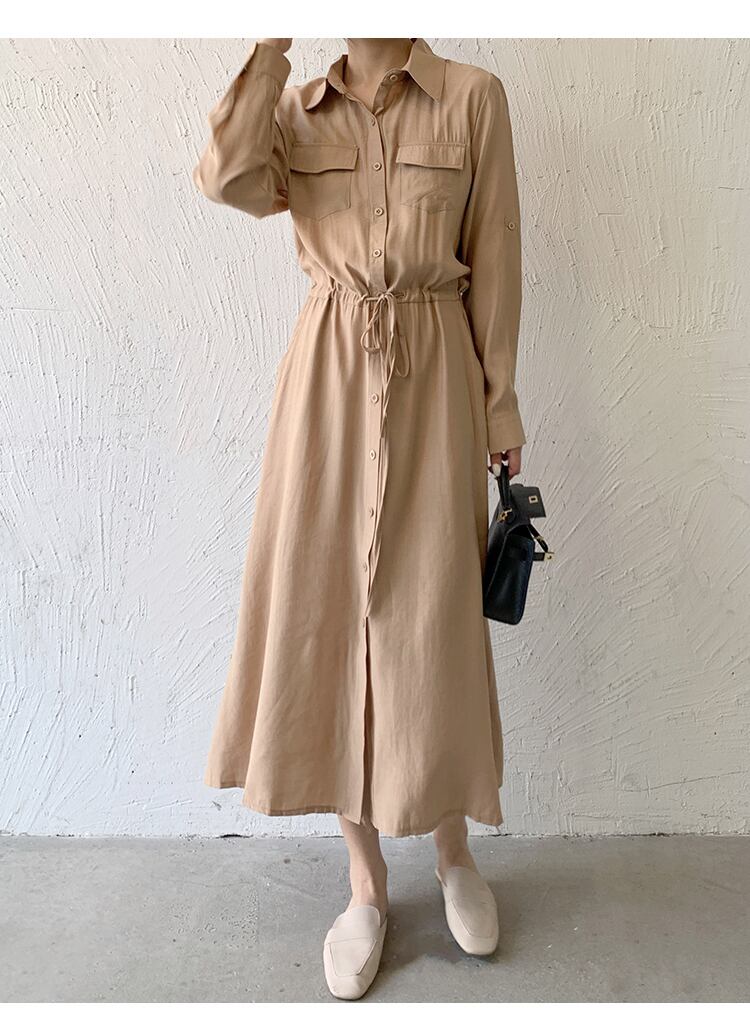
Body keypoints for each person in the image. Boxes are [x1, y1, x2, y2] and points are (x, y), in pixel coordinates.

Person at [193, 37, 526, 999]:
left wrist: (501, 408)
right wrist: (267, 48)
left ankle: (454, 853)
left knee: (434, 619)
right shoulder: (294, 111)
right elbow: (225, 179)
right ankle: (365, 882)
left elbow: (496, 255)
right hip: (329, 377)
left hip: (436, 372)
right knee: (333, 615)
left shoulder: (473, 98)